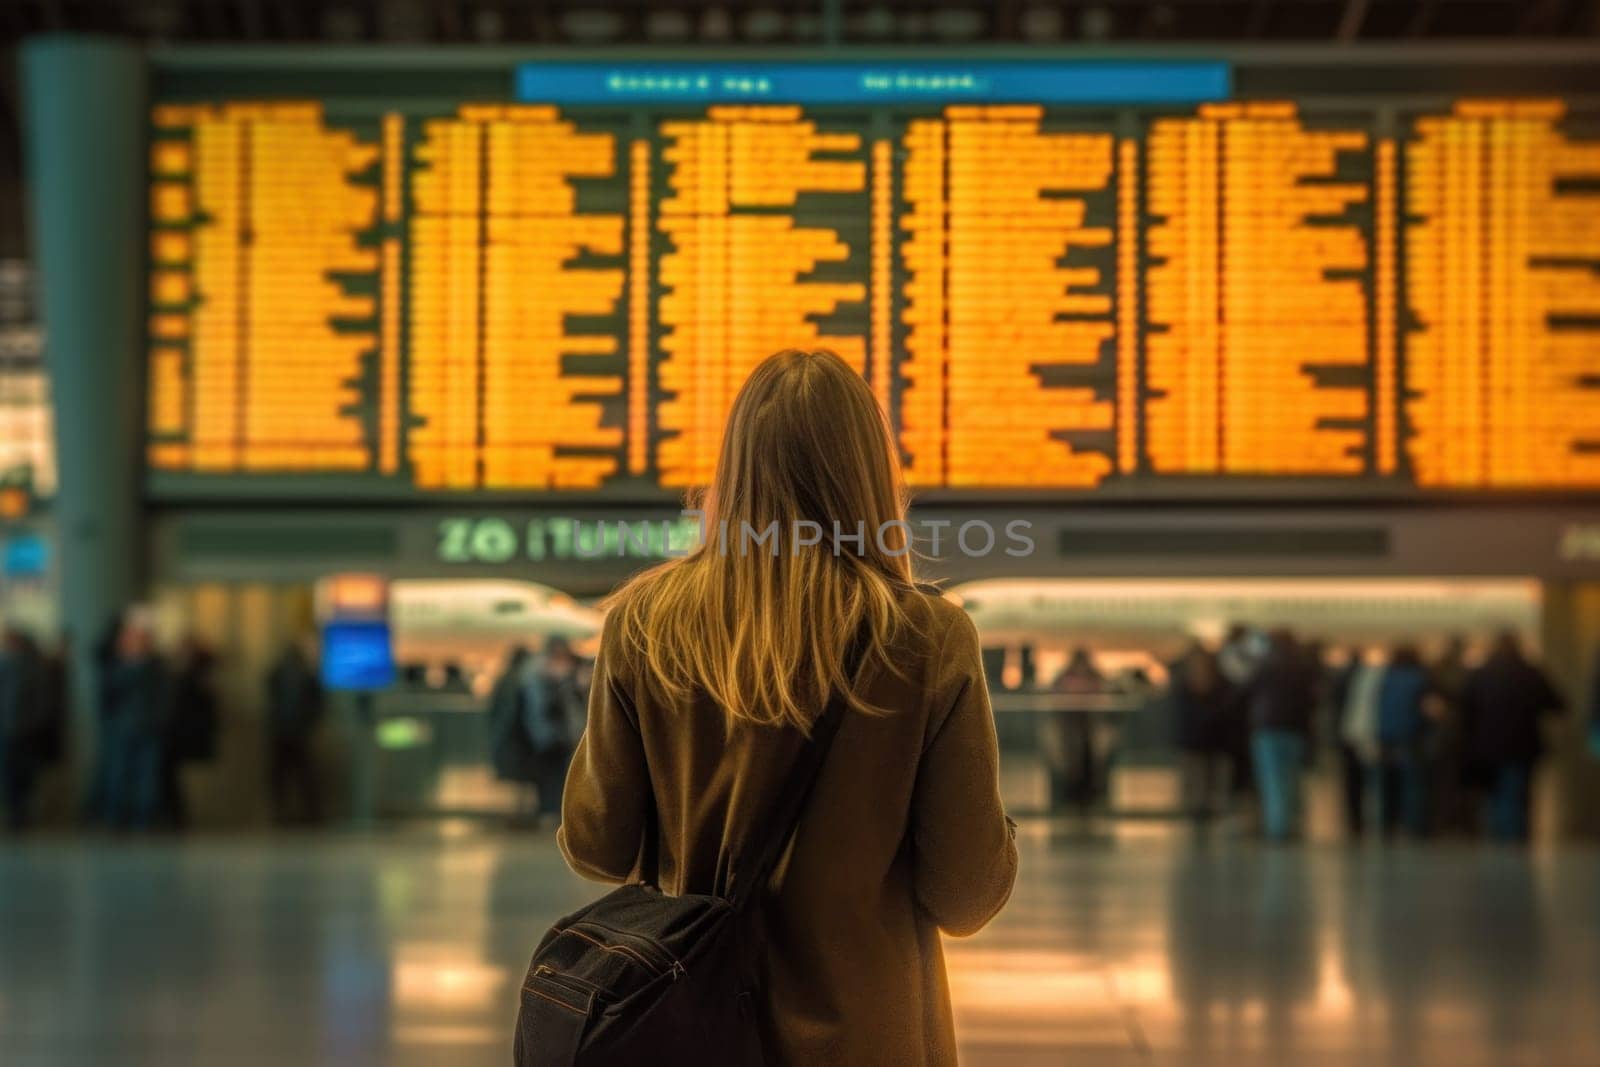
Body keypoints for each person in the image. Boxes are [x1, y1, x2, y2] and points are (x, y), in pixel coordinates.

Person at [559, 349, 1017, 1065]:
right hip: (872, 1040)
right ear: (872, 476)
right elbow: (965, 894)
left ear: (731, 470)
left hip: (690, 1032)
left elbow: (597, 844)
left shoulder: (644, 624)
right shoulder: (927, 639)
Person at [1460, 631, 1565, 842]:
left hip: (1486, 746)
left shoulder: (1481, 674)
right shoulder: (1530, 673)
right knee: (1516, 794)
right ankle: (1514, 841)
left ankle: (1499, 837)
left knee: (1495, 796)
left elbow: (1465, 710)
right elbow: (1557, 704)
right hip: (1522, 745)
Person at [101, 614, 172, 831]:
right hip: (122, 728)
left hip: (150, 728)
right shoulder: (116, 667)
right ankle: (117, 817)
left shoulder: (157, 667)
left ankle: (143, 819)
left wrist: (160, 721)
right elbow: (107, 697)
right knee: (118, 775)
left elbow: (165, 698)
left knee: (147, 778)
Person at [1244, 629, 1315, 843]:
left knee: (1273, 781)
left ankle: (1278, 829)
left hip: (1269, 728)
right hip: (1295, 729)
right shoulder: (1302, 667)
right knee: (1291, 779)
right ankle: (1292, 824)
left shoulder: (1265, 666)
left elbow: (1245, 692)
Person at [522, 634, 585, 823]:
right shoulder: (541, 676)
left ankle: (553, 812)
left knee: (557, 776)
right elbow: (541, 709)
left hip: (555, 735)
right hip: (550, 736)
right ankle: (551, 812)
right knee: (552, 776)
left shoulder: (538, 673)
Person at [1170, 641, 1234, 826]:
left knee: (1207, 781)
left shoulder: (1192, 684)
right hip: (1199, 740)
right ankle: (1199, 812)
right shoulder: (1190, 686)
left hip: (1209, 740)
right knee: (1198, 780)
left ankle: (1204, 811)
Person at [1374, 643, 1431, 839]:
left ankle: (1388, 823)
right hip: (1410, 735)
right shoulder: (1419, 679)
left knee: (1388, 782)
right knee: (1412, 783)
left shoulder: (1387, 678)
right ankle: (1414, 824)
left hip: (1387, 735)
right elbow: (1425, 710)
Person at [265, 636, 324, 825]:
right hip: (290, 731)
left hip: (290, 731)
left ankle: (294, 812)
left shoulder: (285, 674)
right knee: (294, 775)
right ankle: (295, 812)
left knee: (293, 775)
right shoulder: (299, 675)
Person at [165, 637, 220, 828]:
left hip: (189, 737)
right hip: (180, 737)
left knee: (193, 781)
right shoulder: (182, 677)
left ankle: (186, 818)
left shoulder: (195, 679)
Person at [1042, 646, 1105, 810]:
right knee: (1070, 757)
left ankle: (1087, 793)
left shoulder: (1093, 676)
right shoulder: (1066, 676)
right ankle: (1072, 792)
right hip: (1069, 722)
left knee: (1088, 757)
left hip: (1088, 723)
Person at [0, 626, 45, 830]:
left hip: (25, 730)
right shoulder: (6, 665)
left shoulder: (32, 667)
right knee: (10, 774)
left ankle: (21, 812)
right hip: (8, 730)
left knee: (24, 773)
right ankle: (14, 813)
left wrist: (34, 722)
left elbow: (40, 700)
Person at [488, 644, 538, 816]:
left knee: (518, 781)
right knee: (523, 779)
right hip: (518, 737)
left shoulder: (506, 678)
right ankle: (522, 814)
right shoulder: (520, 680)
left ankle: (519, 813)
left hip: (511, 738)